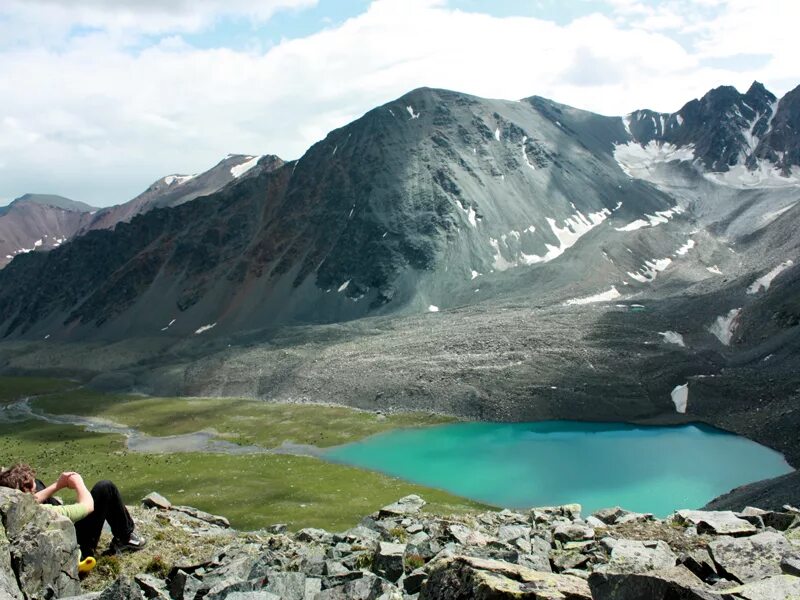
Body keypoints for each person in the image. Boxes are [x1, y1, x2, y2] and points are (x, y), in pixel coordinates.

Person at [0, 464, 146, 558]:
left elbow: (33, 497)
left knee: (38, 483)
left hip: (49, 540)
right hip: (75, 548)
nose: (36, 490)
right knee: (105, 488)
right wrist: (78, 482)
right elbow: (88, 506)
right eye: (32, 489)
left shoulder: (11, 508)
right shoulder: (48, 512)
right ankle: (125, 538)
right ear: (26, 495)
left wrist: (57, 485)